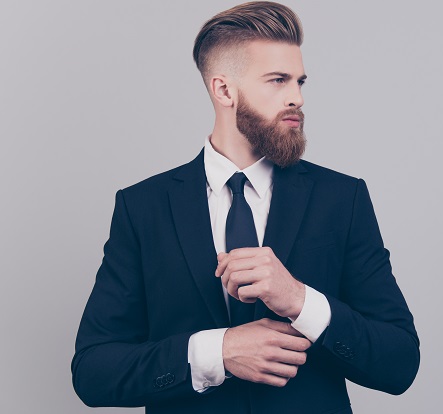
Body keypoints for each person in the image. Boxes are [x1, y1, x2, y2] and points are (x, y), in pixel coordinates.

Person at [71, 2, 420, 413]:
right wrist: (217, 353)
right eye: (277, 80)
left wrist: (301, 301)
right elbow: (93, 373)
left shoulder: (342, 199)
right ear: (224, 90)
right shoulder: (143, 207)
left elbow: (400, 364)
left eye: (300, 81)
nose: (297, 97)